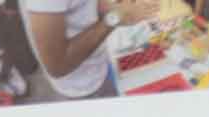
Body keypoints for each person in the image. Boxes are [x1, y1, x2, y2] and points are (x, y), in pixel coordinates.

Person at [22, 0, 167, 99]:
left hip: (99, 63)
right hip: (81, 87)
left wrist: (120, 10)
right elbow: (57, 66)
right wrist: (115, 17)